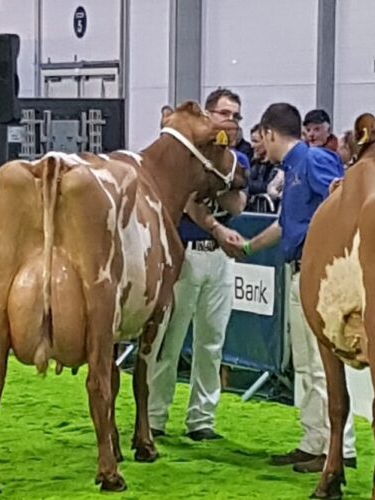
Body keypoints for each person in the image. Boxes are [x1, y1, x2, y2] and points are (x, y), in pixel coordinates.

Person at [227, 102, 357, 473]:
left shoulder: (313, 161)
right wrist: (249, 247)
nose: (258, 145)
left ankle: (340, 446)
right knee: (306, 364)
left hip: (321, 276)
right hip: (302, 272)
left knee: (321, 364)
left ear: (269, 133)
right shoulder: (293, 167)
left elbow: (339, 204)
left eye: (260, 136)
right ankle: (314, 440)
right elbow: (286, 225)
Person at [147, 88, 247, 441]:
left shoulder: (237, 158)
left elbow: (237, 202)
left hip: (220, 259)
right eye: (223, 113)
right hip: (187, 251)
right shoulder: (189, 153)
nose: (229, 121)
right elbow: (189, 202)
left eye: (235, 116)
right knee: (170, 339)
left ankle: (201, 419)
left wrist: (221, 184)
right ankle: (155, 416)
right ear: (207, 115)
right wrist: (218, 227)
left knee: (212, 341)